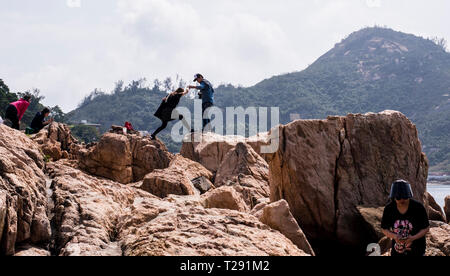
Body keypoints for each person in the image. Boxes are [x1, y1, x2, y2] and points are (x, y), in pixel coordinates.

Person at [381, 180, 430, 256]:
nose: (402, 200)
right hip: (397, 250)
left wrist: (413, 238)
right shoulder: (389, 209)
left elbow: (426, 228)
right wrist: (395, 236)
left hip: (417, 250)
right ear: (394, 197)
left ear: (409, 196)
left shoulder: (418, 207)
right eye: (398, 198)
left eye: (405, 197)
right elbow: (384, 228)